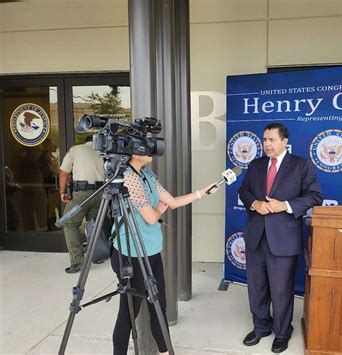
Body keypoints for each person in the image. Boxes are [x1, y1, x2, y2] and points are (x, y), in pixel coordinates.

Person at [111, 154, 219, 355]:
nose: (153, 149)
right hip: (131, 256)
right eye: (147, 144)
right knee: (128, 314)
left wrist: (201, 193)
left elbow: (172, 201)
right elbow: (152, 218)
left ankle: (166, 352)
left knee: (159, 308)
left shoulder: (146, 173)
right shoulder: (127, 177)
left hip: (151, 252)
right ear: (134, 152)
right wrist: (159, 209)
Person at [238, 123, 323, 353]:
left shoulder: (301, 165)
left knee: (281, 290)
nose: (267, 144)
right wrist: (255, 203)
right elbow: (243, 191)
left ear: (285, 142)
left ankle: (283, 332)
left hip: (283, 239)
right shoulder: (255, 165)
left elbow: (315, 197)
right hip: (256, 236)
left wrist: (284, 205)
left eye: (272, 140)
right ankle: (261, 327)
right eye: (264, 139)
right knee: (256, 288)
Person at [59, 135, 105, 273]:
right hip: (100, 193)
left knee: (69, 223)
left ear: (85, 141)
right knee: (94, 224)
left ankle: (78, 260)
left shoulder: (75, 150)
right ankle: (97, 255)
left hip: (81, 194)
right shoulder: (103, 151)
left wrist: (62, 192)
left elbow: (63, 173)